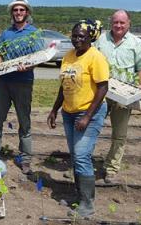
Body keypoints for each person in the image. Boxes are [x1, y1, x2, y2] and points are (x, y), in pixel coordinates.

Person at [46, 19, 109, 218]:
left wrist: (88, 116)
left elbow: (103, 87)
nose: (77, 39)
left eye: (81, 36)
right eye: (74, 36)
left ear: (91, 37)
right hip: (69, 112)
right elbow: (64, 85)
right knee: (76, 156)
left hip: (88, 113)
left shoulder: (96, 57)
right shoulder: (68, 57)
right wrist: (55, 109)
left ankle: (87, 204)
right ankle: (78, 196)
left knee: (81, 156)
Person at [95, 10, 141, 184]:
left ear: (129, 23)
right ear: (111, 22)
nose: (118, 26)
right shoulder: (101, 40)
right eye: (115, 22)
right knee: (90, 129)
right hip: (101, 93)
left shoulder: (136, 43)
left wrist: (140, 88)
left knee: (119, 134)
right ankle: (82, 166)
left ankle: (111, 168)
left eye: (122, 23)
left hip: (123, 95)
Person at [0, 0, 44, 175]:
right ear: (12, 13)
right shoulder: (7, 33)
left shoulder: (34, 33)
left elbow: (38, 57)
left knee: (24, 120)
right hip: (4, 81)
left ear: (27, 12)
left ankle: (25, 158)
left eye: (21, 10)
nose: (18, 13)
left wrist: (28, 66)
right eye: (15, 10)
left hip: (23, 82)